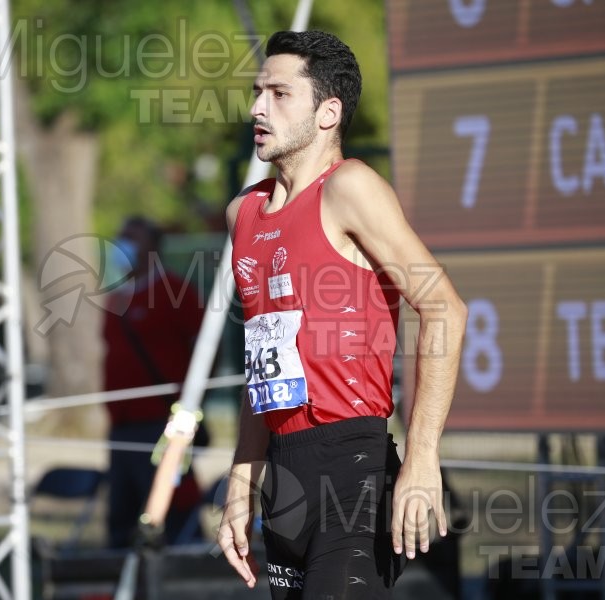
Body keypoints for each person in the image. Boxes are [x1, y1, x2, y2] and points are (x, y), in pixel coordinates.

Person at [216, 31, 468, 598]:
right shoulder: (243, 213)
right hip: (283, 480)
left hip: (352, 467)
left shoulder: (350, 188)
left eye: (279, 94)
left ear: (328, 112)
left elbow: (444, 307)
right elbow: (264, 362)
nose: (257, 107)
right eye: (258, 92)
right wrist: (241, 476)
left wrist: (423, 458)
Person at [102, 216, 205, 548]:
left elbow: (205, 347)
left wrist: (190, 401)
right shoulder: (115, 298)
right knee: (122, 516)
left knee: (171, 513)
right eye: (121, 236)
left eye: (133, 237)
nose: (124, 244)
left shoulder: (176, 291)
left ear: (153, 246)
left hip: (161, 423)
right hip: (121, 425)